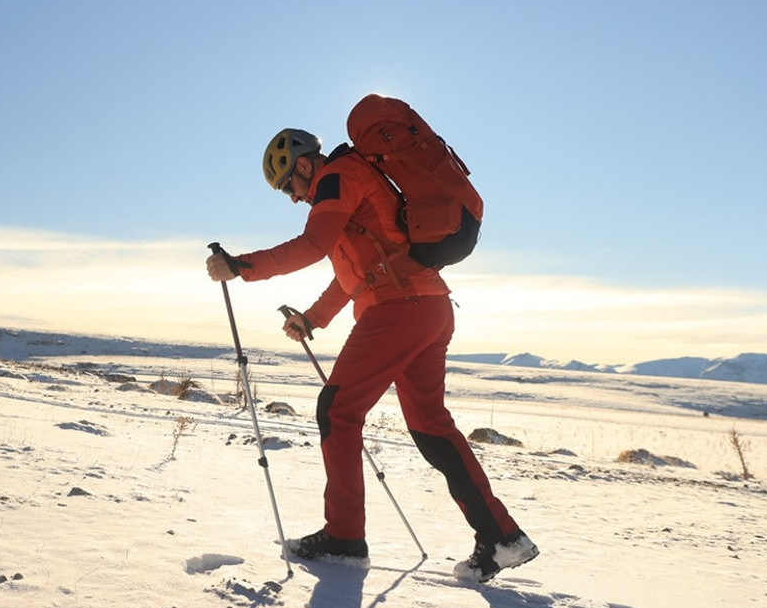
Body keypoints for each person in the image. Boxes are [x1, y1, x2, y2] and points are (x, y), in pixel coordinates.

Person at [206, 127, 538, 582]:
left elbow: (311, 247)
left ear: (304, 164)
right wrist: (313, 319)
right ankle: (503, 537)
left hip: (399, 311)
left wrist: (240, 267)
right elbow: (353, 274)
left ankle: (344, 538)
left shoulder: (337, 177)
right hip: (427, 308)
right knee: (431, 428)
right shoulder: (350, 183)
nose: (293, 197)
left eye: (289, 185)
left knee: (338, 410)